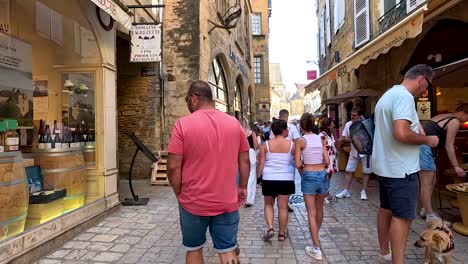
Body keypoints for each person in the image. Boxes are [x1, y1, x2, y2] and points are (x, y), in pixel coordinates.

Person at [167, 80, 250, 264]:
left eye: (187, 99)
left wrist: (179, 192)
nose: (188, 104)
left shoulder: (182, 125)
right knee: (228, 250)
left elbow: (173, 166)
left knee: (194, 249)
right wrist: (242, 187)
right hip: (226, 200)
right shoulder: (234, 124)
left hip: (193, 201)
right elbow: (244, 160)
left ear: (195, 98)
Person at [372, 64, 439, 264]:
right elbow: (401, 133)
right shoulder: (404, 97)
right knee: (402, 217)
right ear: (421, 79)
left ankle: (385, 253)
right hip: (402, 169)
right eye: (428, 85)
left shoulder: (388, 95)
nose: (426, 90)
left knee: (385, 209)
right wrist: (428, 140)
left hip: (386, 166)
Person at [419, 103, 468, 221]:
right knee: (427, 182)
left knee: (432, 180)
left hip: (424, 146)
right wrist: (456, 166)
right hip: (424, 148)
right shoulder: (454, 121)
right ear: (463, 113)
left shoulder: (444, 116)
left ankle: (425, 209)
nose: (466, 121)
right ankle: (431, 216)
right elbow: (449, 145)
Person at [295, 113, 329, 260]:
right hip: (322, 173)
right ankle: (315, 237)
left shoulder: (300, 141)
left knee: (311, 212)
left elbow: (297, 163)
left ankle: (316, 248)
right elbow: (327, 160)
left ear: (302, 125)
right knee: (319, 209)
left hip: (309, 173)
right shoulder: (320, 138)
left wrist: (304, 174)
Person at [256, 119, 295, 242]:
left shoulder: (265, 145)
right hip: (286, 178)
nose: (288, 130)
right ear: (284, 130)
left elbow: (261, 164)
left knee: (268, 204)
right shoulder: (292, 145)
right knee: (283, 207)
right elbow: (297, 161)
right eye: (287, 129)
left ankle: (271, 227)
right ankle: (282, 234)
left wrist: (258, 178)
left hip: (269, 178)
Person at [335, 107, 372, 200]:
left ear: (360, 116)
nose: (352, 117)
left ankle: (363, 191)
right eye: (351, 115)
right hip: (354, 151)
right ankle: (346, 191)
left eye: (354, 115)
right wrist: (353, 139)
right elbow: (343, 137)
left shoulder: (367, 124)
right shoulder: (348, 125)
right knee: (349, 170)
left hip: (366, 152)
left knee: (366, 172)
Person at [241, 117, 259, 207]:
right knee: (251, 176)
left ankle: (242, 197)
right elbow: (256, 145)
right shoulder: (251, 133)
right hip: (250, 152)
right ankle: (249, 199)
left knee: (242, 175)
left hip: (240, 154)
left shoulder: (239, 132)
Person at [319, 118, 338, 205]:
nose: (333, 125)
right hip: (326, 159)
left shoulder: (330, 135)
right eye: (332, 124)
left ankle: (326, 193)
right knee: (324, 177)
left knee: (328, 177)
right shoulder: (322, 135)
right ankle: (323, 195)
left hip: (332, 159)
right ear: (328, 125)